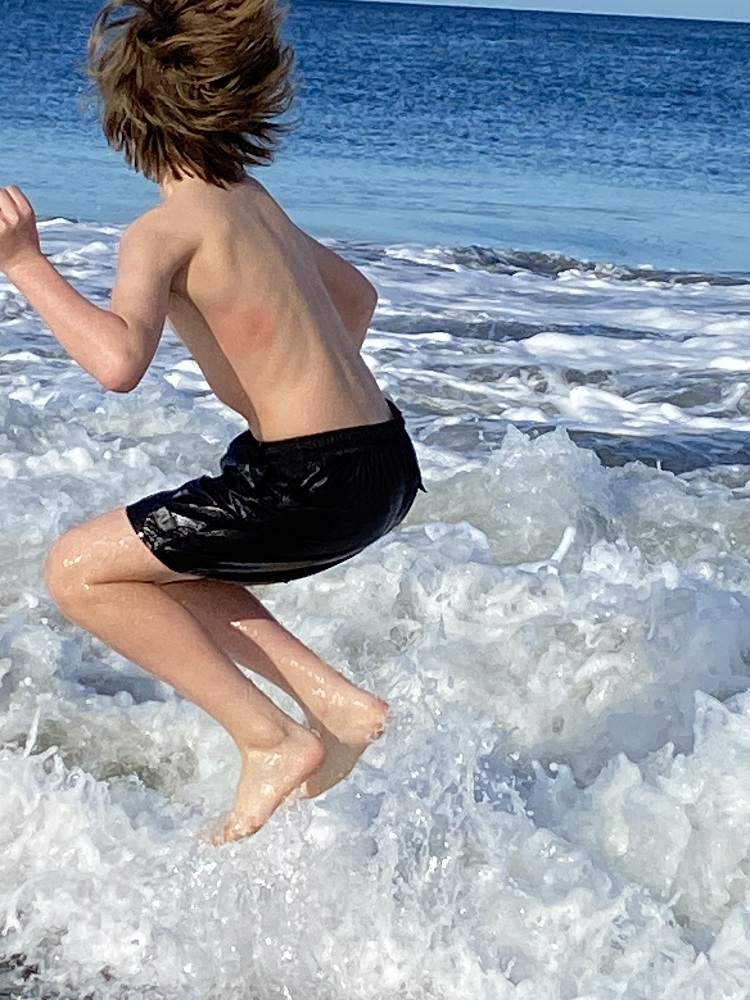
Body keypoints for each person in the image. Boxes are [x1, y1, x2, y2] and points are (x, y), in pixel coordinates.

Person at [0, 0, 423, 843]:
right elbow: (357, 297)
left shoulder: (163, 231)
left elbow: (117, 363)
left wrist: (24, 263)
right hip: (384, 460)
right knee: (164, 566)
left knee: (78, 571)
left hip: (308, 477)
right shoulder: (252, 200)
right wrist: (290, 388)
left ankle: (270, 739)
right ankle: (337, 704)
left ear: (128, 118)